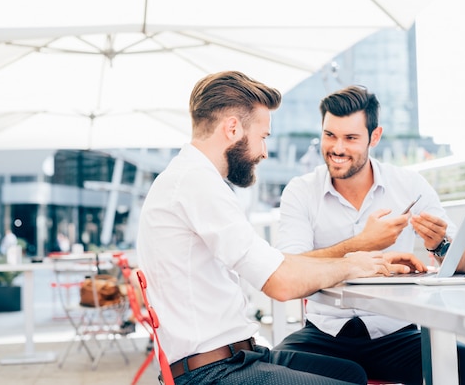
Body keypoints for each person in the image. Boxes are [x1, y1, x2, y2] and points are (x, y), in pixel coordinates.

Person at [135, 71, 426, 385]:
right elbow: (281, 283)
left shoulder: (191, 179)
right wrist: (351, 264)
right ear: (233, 128)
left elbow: (277, 261)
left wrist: (368, 260)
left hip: (236, 357)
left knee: (350, 372)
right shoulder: (196, 184)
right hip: (212, 372)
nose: (264, 151)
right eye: (263, 136)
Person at [273, 85, 465, 385]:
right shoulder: (301, 191)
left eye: (350, 138)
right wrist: (364, 243)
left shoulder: (409, 185)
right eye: (329, 135)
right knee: (278, 366)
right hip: (325, 333)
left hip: (395, 335)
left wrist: (440, 244)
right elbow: (289, 266)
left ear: (375, 136)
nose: (336, 148)